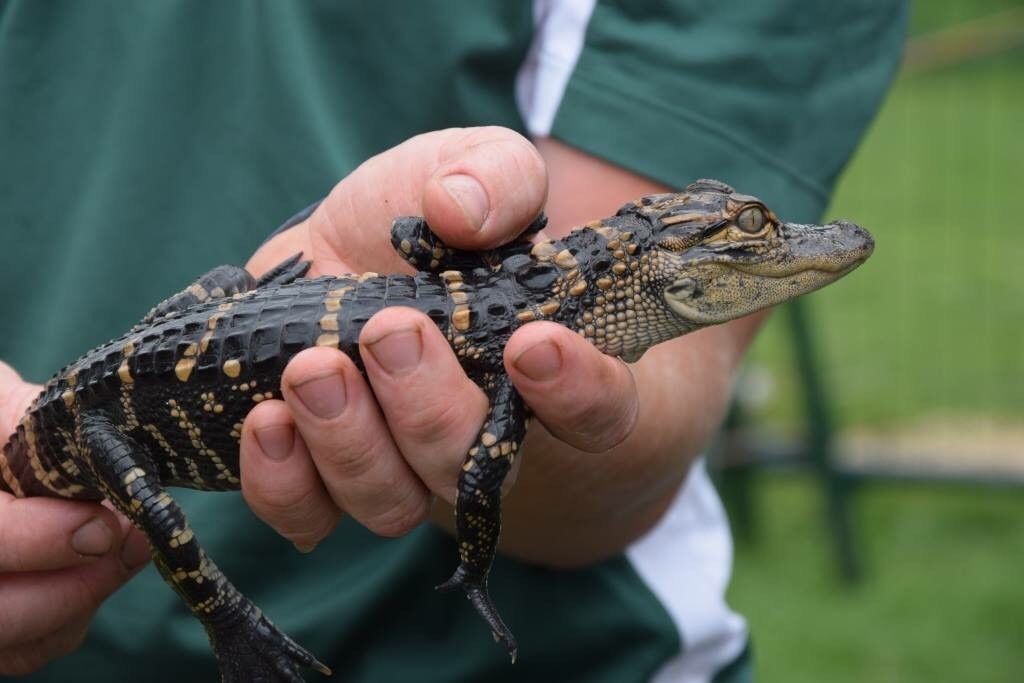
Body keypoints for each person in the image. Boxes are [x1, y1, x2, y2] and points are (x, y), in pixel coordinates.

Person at [0, 2, 907, 680]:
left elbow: (602, 422)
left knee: (222, 312)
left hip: (560, 657)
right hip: (94, 442)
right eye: (752, 225)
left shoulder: (540, 312)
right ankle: (231, 618)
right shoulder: (528, 292)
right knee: (158, 504)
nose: (787, 243)